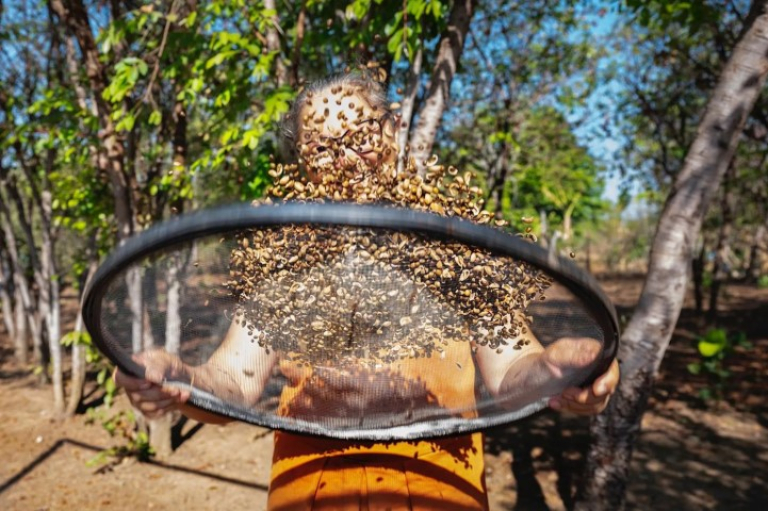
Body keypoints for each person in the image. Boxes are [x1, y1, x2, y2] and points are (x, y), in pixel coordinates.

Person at [116, 71, 621, 510]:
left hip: (439, 488)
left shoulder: (457, 246)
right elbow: (234, 379)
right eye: (321, 147)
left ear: (393, 128)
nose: (346, 159)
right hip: (310, 490)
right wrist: (180, 378)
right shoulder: (283, 258)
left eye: (359, 136)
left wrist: (560, 370)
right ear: (302, 158)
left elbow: (512, 369)